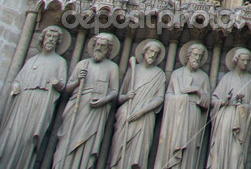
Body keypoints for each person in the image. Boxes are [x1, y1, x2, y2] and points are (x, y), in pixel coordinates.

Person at [0, 26, 68, 169]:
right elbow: (19, 79)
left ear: (58, 42)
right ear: (42, 39)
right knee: (12, 134)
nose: (50, 39)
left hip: (42, 102)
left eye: (54, 38)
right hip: (22, 101)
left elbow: (63, 85)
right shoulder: (31, 60)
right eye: (48, 36)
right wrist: (16, 86)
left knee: (29, 138)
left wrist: (57, 83)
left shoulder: (60, 61)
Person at [53, 33, 120, 169]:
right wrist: (78, 80)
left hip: (96, 110)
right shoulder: (83, 64)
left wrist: (103, 100)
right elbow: (68, 88)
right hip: (77, 105)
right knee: (67, 138)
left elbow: (114, 91)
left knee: (87, 143)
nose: (99, 48)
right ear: (93, 45)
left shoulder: (112, 67)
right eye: (98, 45)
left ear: (108, 49)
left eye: (103, 46)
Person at [110, 40, 167, 169]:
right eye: (151, 51)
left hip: (144, 116)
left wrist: (142, 111)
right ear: (144, 52)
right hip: (127, 112)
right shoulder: (133, 70)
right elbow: (120, 97)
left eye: (156, 53)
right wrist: (127, 96)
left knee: (138, 151)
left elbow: (159, 98)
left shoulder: (160, 74)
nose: (152, 55)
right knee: (119, 147)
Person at [154, 42, 210, 169]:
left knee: (190, 146)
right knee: (171, 143)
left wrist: (197, 90)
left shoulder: (203, 77)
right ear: (188, 55)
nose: (197, 58)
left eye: (200, 56)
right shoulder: (176, 74)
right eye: (195, 55)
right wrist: (181, 98)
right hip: (176, 116)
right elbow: (168, 95)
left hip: (193, 114)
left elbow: (207, 102)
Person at [208, 48, 251, 169]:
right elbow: (213, 100)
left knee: (237, 154)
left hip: (241, 122)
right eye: (243, 60)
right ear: (236, 60)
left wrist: (243, 106)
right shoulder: (227, 78)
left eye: (247, 61)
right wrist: (224, 101)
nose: (245, 63)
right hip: (225, 119)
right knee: (219, 150)